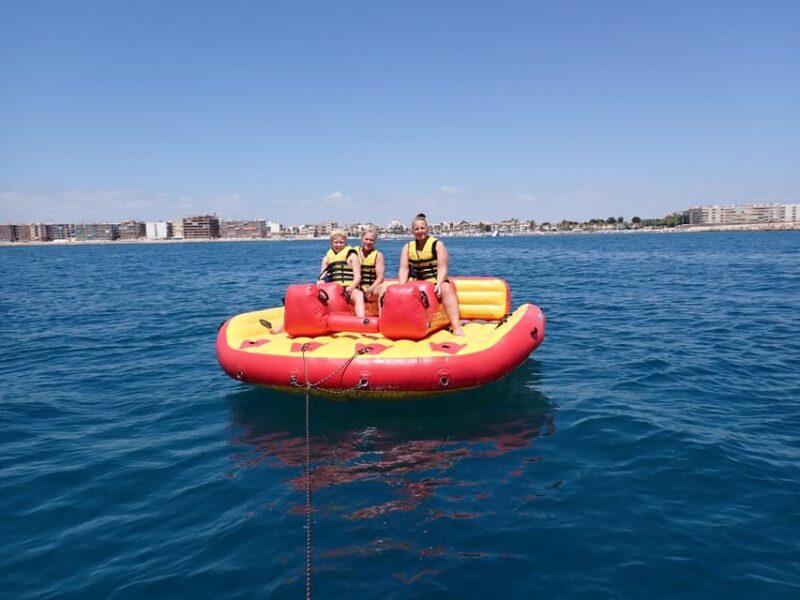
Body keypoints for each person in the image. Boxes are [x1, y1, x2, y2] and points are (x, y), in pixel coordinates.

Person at [398, 213, 465, 336]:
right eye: (417, 229)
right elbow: (404, 269)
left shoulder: (437, 245)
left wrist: (439, 284)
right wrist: (402, 287)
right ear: (412, 231)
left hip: (434, 281)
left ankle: (456, 326)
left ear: (427, 229)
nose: (420, 231)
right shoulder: (407, 247)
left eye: (422, 228)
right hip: (415, 282)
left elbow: (442, 268)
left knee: (446, 288)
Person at [319, 229, 365, 317]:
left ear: (345, 242)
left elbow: (358, 277)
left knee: (359, 295)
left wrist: (351, 287)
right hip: (333, 289)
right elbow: (322, 277)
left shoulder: (352, 256)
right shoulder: (326, 258)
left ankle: (362, 320)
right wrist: (321, 283)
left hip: (349, 287)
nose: (339, 245)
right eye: (336, 242)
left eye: (341, 242)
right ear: (331, 242)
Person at [357, 228, 386, 315]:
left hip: (372, 289)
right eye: (366, 239)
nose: (368, 242)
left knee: (383, 288)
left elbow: (380, 278)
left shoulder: (378, 255)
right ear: (361, 239)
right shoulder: (353, 253)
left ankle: (382, 318)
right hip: (357, 288)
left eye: (371, 240)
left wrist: (369, 289)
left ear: (375, 242)